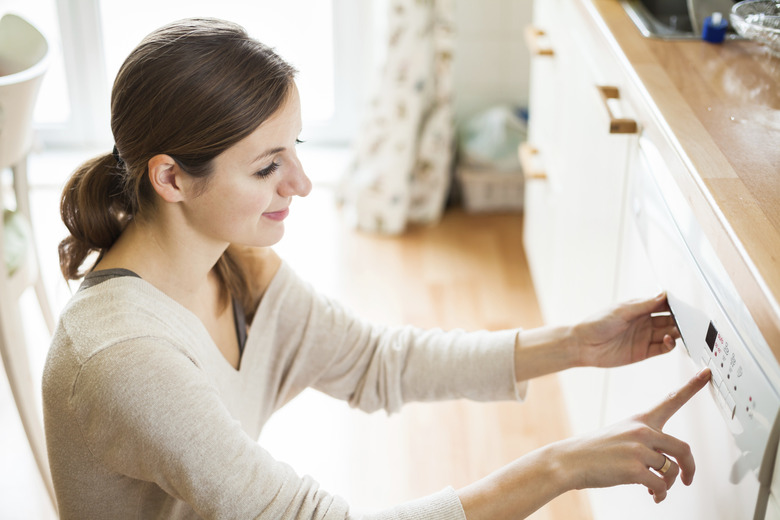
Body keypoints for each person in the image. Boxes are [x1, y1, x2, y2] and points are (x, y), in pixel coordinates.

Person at [42, 17, 711, 520]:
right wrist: (562, 464)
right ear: (172, 179)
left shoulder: (235, 269)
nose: (301, 183)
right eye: (267, 165)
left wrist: (572, 345)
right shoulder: (124, 356)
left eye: (294, 149)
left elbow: (375, 361)